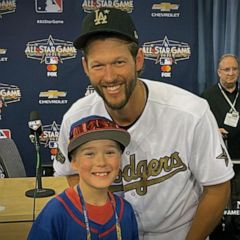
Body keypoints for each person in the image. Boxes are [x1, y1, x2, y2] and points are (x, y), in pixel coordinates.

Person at [53, 7, 234, 240]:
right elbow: (70, 173)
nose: (109, 77)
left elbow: (218, 187)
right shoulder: (76, 118)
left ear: (138, 60)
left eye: (119, 62)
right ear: (86, 67)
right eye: (98, 65)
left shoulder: (191, 112)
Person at [28, 115, 139, 240]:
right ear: (74, 162)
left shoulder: (126, 212)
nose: (101, 162)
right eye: (89, 154)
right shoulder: (55, 213)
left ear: (120, 159)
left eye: (110, 152)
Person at [201, 54, 240, 240]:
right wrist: (213, 129)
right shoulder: (207, 98)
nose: (231, 73)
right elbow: (200, 128)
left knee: (238, 208)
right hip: (219, 162)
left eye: (234, 69)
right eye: (226, 69)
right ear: (219, 72)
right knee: (221, 209)